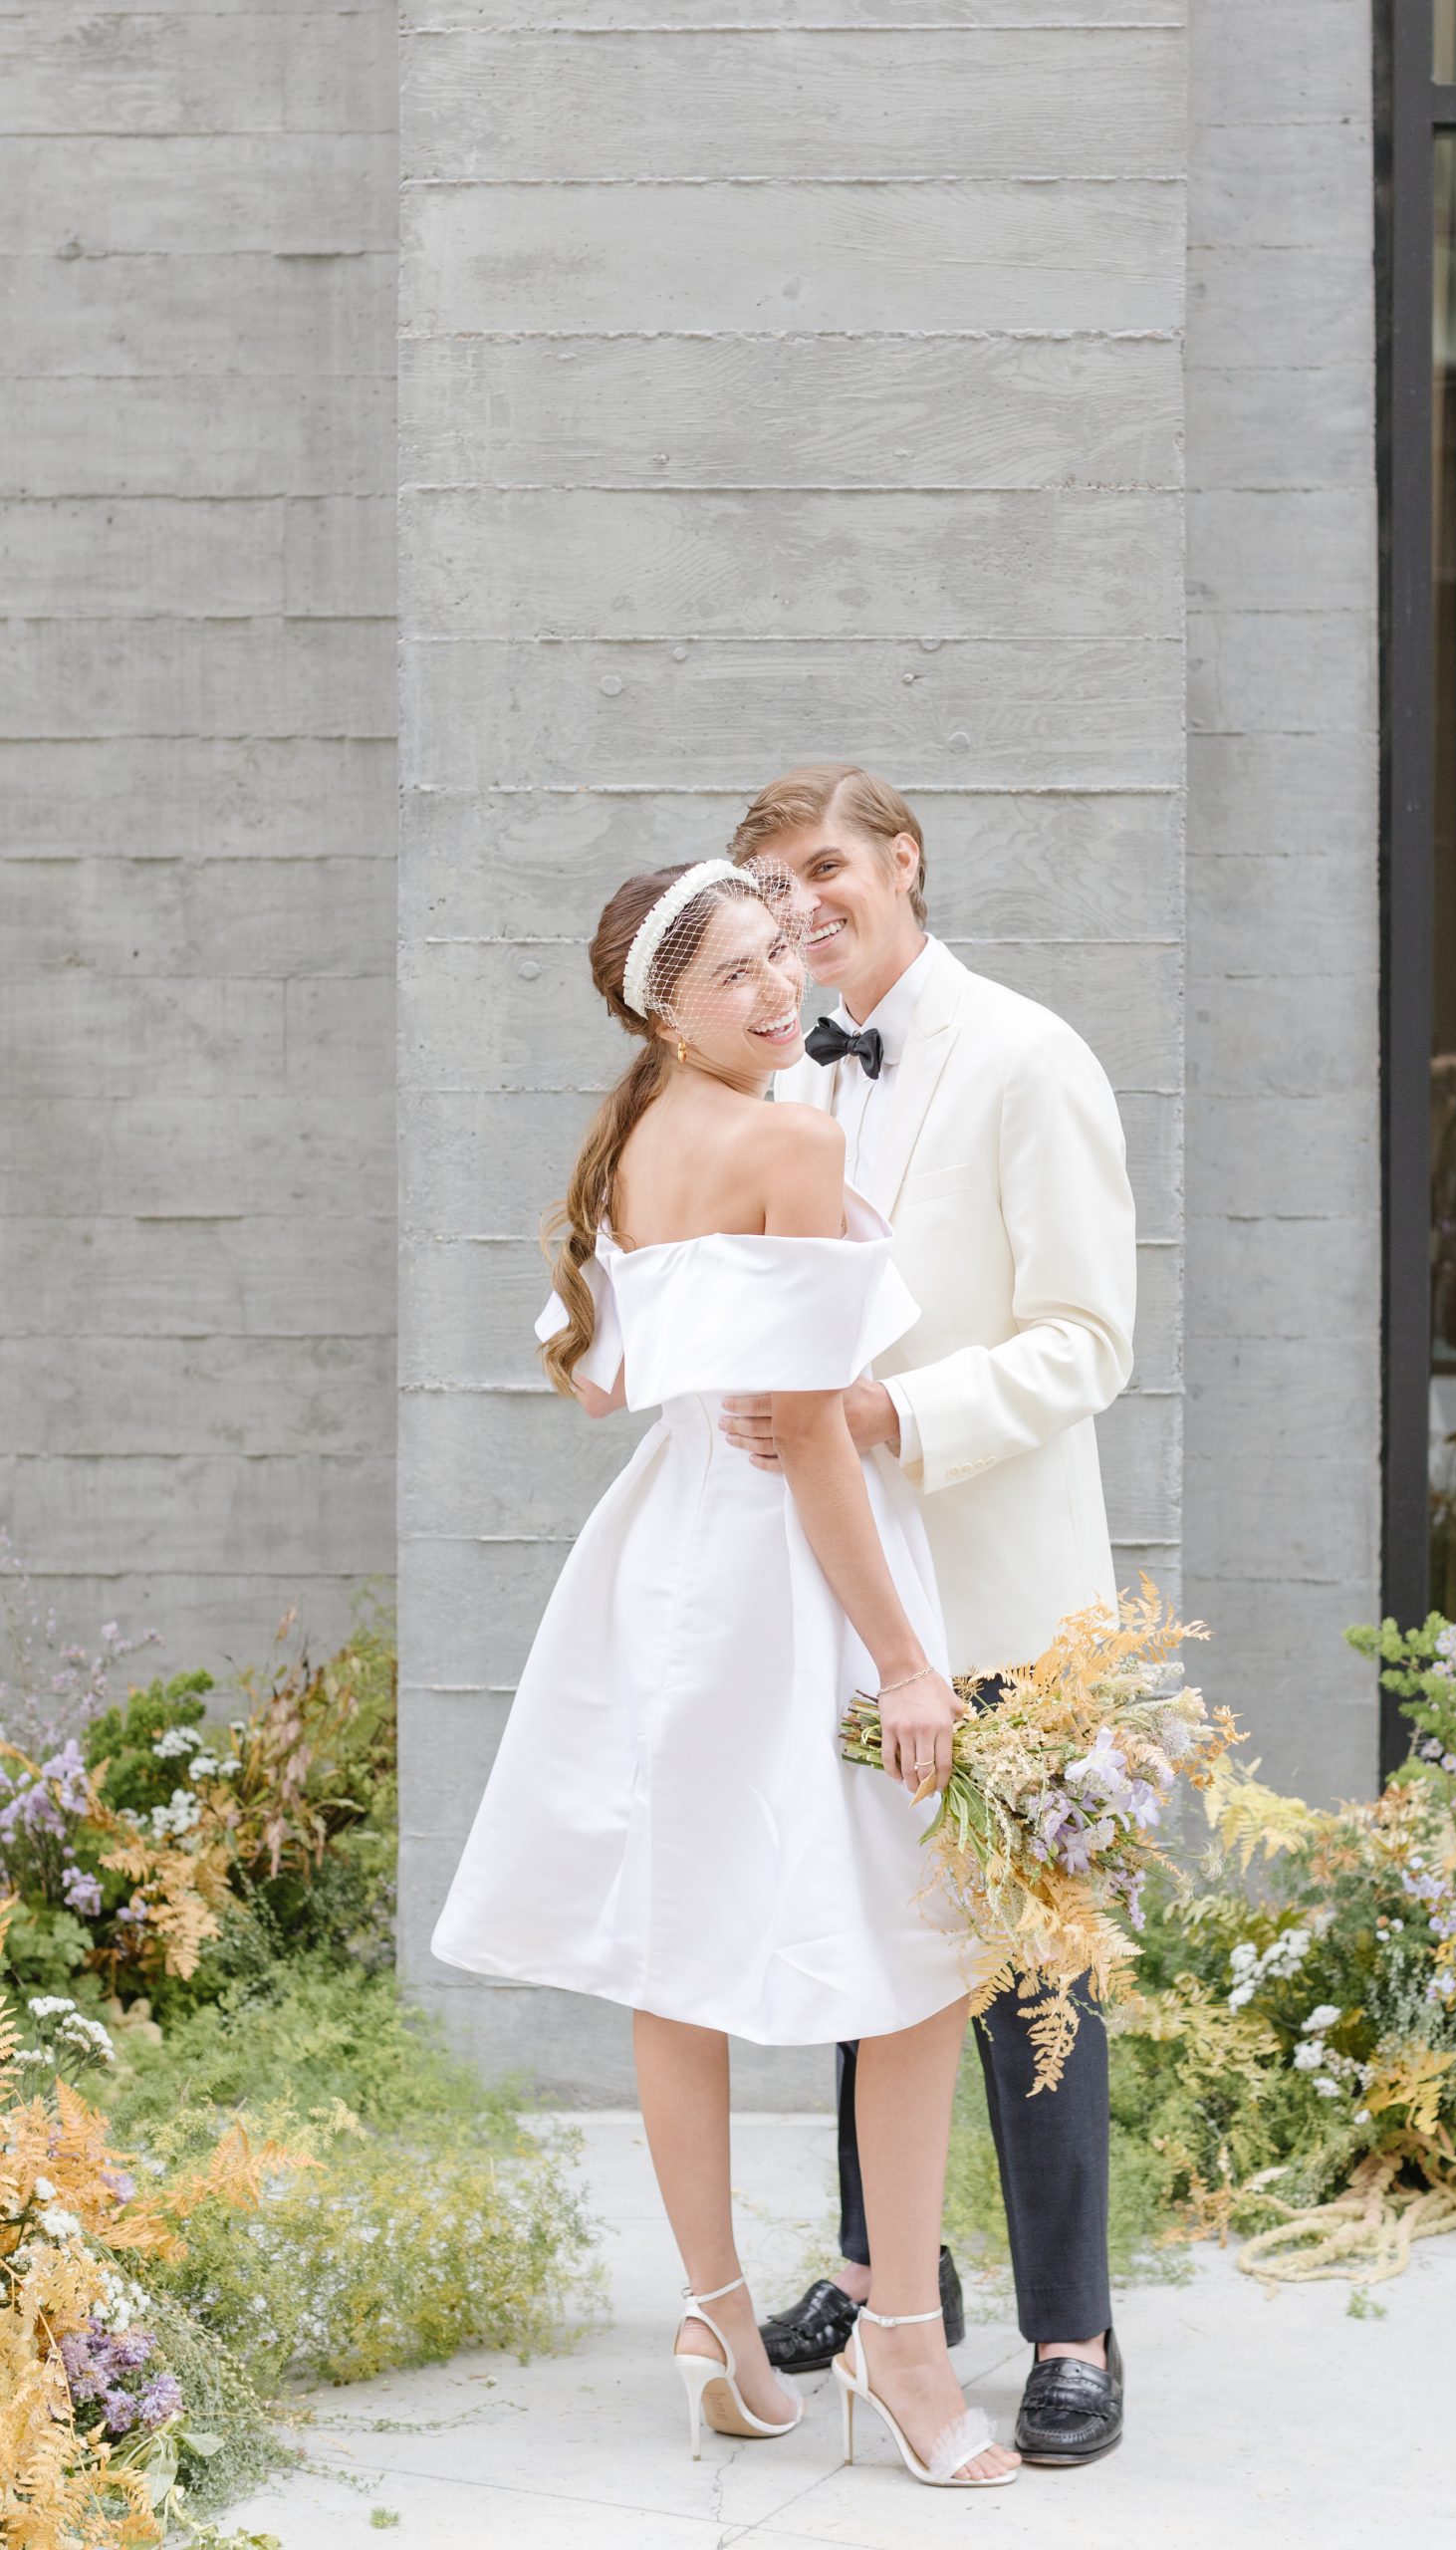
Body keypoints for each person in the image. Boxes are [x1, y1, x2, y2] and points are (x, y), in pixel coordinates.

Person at [429, 857, 1020, 2490]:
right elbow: (817, 1429)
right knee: (923, 1956)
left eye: (784, 957)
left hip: (662, 1565)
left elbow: (615, 1386)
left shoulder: (637, 1134)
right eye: (738, 979)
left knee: (680, 1952)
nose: (782, 994)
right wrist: (907, 1662)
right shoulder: (789, 1134)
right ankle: (902, 2334)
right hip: (790, 1573)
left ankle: (717, 2322)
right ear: (666, 1012)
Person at [721, 767, 1137, 2468]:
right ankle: (892, 2275)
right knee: (865, 1949)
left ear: (902, 862)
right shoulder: (785, 1081)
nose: (801, 906)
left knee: (1034, 1988)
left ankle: (1073, 2330)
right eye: (768, 884)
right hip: (857, 1598)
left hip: (1014, 1608)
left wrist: (887, 1416)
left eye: (824, 868)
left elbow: (1088, 1338)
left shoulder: (1029, 1056)